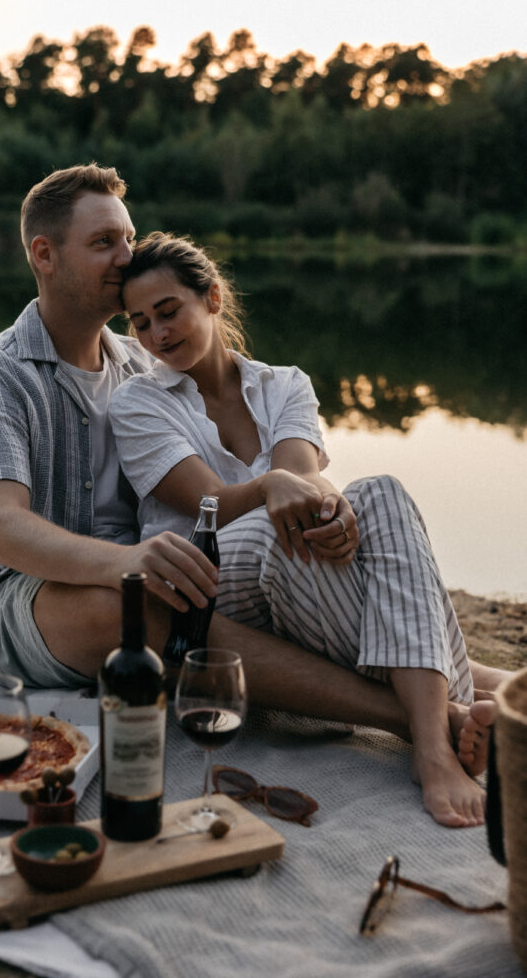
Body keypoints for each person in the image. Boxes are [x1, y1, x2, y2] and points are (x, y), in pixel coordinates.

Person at [107, 231, 510, 828]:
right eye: (140, 323)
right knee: (285, 533)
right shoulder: (138, 402)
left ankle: (436, 733)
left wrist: (333, 511)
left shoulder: (285, 383)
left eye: (169, 311)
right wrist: (282, 491)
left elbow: (301, 478)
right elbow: (210, 504)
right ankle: (450, 715)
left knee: (379, 493)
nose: (157, 334)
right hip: (207, 579)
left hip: (292, 568)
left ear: (212, 298)